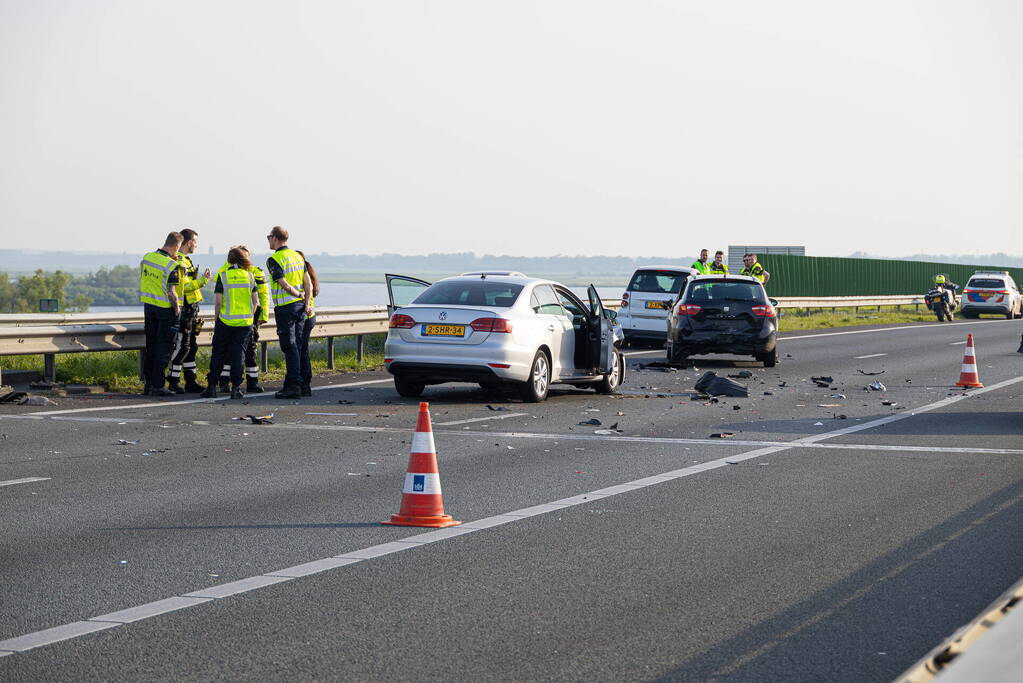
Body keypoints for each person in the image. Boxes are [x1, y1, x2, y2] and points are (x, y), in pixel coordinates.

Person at [200, 247, 259, 400]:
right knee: (238, 354)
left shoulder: (223, 276)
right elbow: (256, 302)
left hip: (225, 321)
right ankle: (236, 388)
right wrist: (250, 317)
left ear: (229, 260)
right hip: (244, 323)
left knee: (218, 353)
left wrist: (216, 318)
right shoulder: (250, 276)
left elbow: (218, 302)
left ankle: (212, 387)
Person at [265, 226, 312, 399]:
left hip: (286, 308)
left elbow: (284, 284)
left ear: (276, 239)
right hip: (300, 307)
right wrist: (306, 303)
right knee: (298, 346)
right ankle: (303, 385)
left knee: (289, 346)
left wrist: (298, 294)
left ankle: (293, 386)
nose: (268, 240)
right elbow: (309, 283)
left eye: (269, 237)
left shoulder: (274, 259)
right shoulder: (297, 256)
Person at [216, 246, 270, 393]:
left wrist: (263, 316)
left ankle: (252, 383)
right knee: (228, 352)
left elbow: (264, 295)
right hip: (232, 317)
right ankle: (224, 383)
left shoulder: (256, 272)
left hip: (250, 317)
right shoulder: (225, 270)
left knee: (250, 351)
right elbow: (218, 289)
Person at [166, 229, 211, 393]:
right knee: (182, 346)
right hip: (184, 309)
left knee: (192, 346)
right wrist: (204, 281)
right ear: (190, 242)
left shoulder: (187, 260)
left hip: (192, 308)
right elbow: (183, 288)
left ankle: (190, 380)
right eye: (196, 242)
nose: (197, 246)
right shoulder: (179, 261)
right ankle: (173, 381)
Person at [139, 232, 183, 396]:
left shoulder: (148, 257)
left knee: (151, 346)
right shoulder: (172, 266)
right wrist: (177, 309)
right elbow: (172, 293)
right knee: (164, 349)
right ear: (176, 246)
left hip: (149, 307)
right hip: (165, 310)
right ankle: (158, 385)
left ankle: (148, 384)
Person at [295, 250, 321, 396]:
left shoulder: (300, 272)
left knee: (299, 350)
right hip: (310, 316)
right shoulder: (309, 270)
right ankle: (305, 382)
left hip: (303, 316)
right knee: (303, 350)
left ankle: (303, 382)